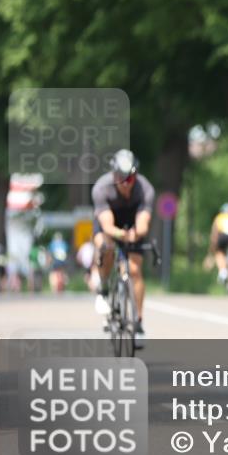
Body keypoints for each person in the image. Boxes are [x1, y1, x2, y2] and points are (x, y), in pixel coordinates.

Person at [90, 149, 155, 348]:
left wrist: (135, 233)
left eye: (131, 179)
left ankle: (138, 323)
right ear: (114, 175)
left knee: (135, 270)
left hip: (132, 225)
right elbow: (107, 225)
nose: (127, 184)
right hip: (110, 225)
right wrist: (120, 235)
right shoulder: (102, 188)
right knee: (106, 246)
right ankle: (103, 287)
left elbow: (143, 222)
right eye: (122, 179)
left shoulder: (145, 189)